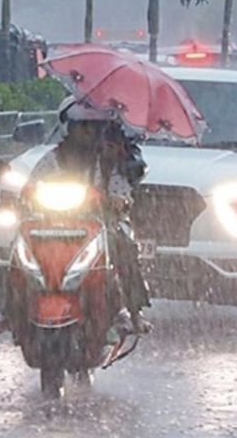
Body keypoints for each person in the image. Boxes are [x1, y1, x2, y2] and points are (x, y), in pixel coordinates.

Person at [23, 97, 151, 333]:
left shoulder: (108, 160)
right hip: (52, 225)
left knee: (123, 244)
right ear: (68, 128)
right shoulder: (52, 158)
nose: (88, 132)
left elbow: (121, 189)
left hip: (101, 224)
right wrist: (26, 195)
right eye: (82, 126)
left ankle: (132, 310)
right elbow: (32, 185)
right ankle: (14, 310)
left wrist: (119, 200)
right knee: (18, 249)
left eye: (94, 127)